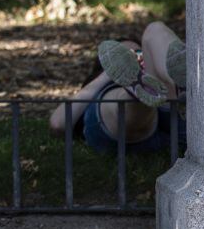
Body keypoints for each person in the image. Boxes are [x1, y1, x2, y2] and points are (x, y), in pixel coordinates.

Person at [48, 21, 186, 153]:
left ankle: (188, 81)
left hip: (172, 112)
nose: (137, 58)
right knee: (118, 99)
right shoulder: (100, 88)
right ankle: (136, 92)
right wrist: (108, 75)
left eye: (139, 53)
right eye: (128, 56)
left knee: (155, 29)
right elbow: (58, 123)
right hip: (125, 128)